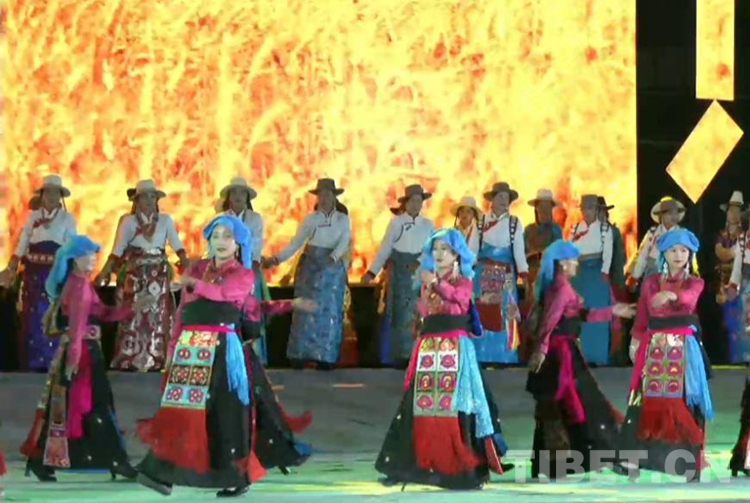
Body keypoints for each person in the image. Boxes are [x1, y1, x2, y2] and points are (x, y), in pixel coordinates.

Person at [137, 215, 316, 497]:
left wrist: (289, 304)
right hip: (190, 350)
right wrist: (171, 351)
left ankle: (236, 476)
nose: (220, 241)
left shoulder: (243, 275)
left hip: (223, 351)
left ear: (238, 244)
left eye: (228, 236)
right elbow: (182, 312)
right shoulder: (196, 269)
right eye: (216, 235)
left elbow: (226, 295)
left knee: (226, 415)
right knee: (180, 412)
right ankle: (161, 474)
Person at [376, 229, 509, 489]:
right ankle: (413, 465)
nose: (438, 254)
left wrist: (436, 283)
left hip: (454, 348)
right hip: (429, 348)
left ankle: (457, 467)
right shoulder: (427, 280)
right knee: (420, 403)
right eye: (435, 249)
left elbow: (459, 301)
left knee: (455, 405)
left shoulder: (464, 280)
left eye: (444, 249)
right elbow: (425, 312)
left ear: (456, 255)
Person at [19, 235, 141, 482]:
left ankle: (40, 461)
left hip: (81, 352)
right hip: (83, 354)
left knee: (64, 408)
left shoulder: (79, 283)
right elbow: (76, 328)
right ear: (75, 259)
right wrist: (73, 362)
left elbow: (103, 314)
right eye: (89, 255)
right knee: (97, 407)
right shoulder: (79, 286)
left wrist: (131, 308)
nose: (94, 259)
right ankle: (117, 461)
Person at [526, 239, 634, 479]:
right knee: (585, 404)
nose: (577, 265)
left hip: (561, 352)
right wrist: (541, 350)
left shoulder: (557, 286)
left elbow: (581, 314)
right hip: (561, 356)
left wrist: (613, 311)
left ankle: (554, 464)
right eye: (574, 260)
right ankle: (606, 456)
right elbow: (550, 322)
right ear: (563, 263)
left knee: (557, 407)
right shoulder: (562, 289)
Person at [619, 228, 712, 482]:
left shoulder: (695, 282)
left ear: (690, 254)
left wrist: (671, 295)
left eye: (683, 251)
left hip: (684, 349)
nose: (678, 255)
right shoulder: (650, 283)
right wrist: (635, 340)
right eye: (673, 250)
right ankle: (632, 461)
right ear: (664, 254)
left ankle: (690, 464)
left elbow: (689, 300)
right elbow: (642, 316)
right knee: (643, 400)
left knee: (686, 401)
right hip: (655, 348)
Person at [96, 180, 188, 372]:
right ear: (136, 201)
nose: (148, 200)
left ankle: (157, 358)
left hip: (158, 274)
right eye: (144, 197)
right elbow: (118, 249)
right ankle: (129, 358)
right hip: (135, 274)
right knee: (133, 313)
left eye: (152, 197)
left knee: (158, 314)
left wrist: (186, 264)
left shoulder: (165, 221)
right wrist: (106, 271)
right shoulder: (128, 221)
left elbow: (177, 245)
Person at [262, 178, 351, 369]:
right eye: (321, 195)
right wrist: (276, 259)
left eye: (327, 194)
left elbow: (344, 241)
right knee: (304, 310)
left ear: (334, 196)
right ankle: (299, 355)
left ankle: (325, 356)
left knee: (329, 311)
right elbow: (296, 243)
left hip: (332, 271)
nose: (324, 198)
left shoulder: (342, 219)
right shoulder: (311, 219)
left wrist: (333, 257)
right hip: (310, 267)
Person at [0, 175, 76, 370]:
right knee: (33, 317)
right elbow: (23, 241)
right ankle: (33, 362)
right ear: (41, 195)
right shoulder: (33, 217)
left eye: (55, 193)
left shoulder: (67, 219)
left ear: (60, 197)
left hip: (55, 275)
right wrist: (13, 263)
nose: (51, 196)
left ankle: (54, 362)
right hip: (33, 276)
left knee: (53, 314)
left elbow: (71, 246)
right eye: (47, 192)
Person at [361, 184, 435, 367]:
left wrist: (424, 265)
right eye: (413, 201)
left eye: (419, 201)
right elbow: (385, 248)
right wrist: (371, 272)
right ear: (406, 203)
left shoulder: (428, 225)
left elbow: (432, 250)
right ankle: (400, 355)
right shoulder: (396, 223)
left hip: (420, 274)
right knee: (400, 314)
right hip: (399, 274)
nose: (416, 204)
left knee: (419, 313)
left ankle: (417, 355)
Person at [473, 182, 529, 364]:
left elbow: (519, 252)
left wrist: (524, 274)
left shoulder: (514, 224)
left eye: (507, 198)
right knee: (482, 311)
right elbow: (471, 251)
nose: (504, 201)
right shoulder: (480, 222)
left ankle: (505, 356)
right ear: (492, 199)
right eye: (500, 197)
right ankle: (480, 355)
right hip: (482, 274)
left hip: (507, 274)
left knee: (507, 309)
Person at [216, 176, 269, 364]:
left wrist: (252, 263)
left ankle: (252, 355)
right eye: (234, 193)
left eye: (242, 193)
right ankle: (227, 353)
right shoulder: (221, 219)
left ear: (247, 197)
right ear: (229, 197)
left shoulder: (255, 219)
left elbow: (257, 243)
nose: (238, 196)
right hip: (227, 269)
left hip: (247, 269)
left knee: (250, 310)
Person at [570, 194, 614, 365]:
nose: (587, 212)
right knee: (579, 313)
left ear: (596, 210)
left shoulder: (604, 229)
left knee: (599, 313)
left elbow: (608, 252)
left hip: (597, 273)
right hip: (579, 273)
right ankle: (580, 356)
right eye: (584, 209)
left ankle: (598, 356)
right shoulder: (575, 228)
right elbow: (570, 250)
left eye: (590, 208)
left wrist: (605, 271)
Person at [626, 196, 686, 292]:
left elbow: (690, 257)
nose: (674, 216)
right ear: (662, 215)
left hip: (674, 275)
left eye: (676, 213)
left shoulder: (683, 234)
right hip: (652, 273)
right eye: (670, 213)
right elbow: (643, 255)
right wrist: (635, 277)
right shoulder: (652, 233)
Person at [724, 192, 750, 362]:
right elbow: (737, 266)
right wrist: (733, 285)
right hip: (747, 285)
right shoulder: (742, 240)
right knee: (746, 322)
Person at [524, 189, 562, 287]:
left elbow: (558, 255)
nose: (545, 210)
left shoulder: (556, 230)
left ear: (551, 208)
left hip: (550, 277)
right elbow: (522, 254)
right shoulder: (528, 230)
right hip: (531, 277)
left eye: (548, 206)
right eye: (542, 206)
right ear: (536, 208)